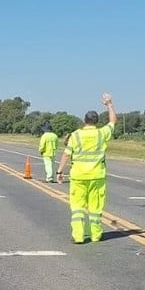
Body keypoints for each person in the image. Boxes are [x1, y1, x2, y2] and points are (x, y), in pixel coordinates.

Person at [56, 93, 117, 243]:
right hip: (97, 176)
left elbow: (66, 154)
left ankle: (78, 236)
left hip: (78, 176)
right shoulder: (101, 133)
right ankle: (96, 235)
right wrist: (109, 104)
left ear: (84, 121)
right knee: (95, 209)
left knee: (77, 208)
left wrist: (59, 171)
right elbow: (113, 121)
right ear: (96, 122)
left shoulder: (75, 135)